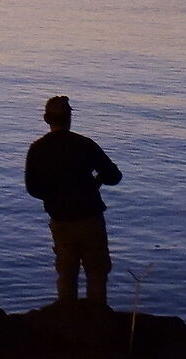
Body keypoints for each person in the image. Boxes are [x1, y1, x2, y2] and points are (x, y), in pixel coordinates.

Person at [24, 94, 123, 307]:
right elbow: (114, 176)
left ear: (46, 119)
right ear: (69, 118)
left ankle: (68, 327)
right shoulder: (85, 145)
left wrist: (54, 194)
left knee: (66, 275)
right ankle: (98, 325)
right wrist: (96, 181)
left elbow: (33, 188)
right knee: (96, 274)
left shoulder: (37, 149)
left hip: (61, 220)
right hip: (90, 218)